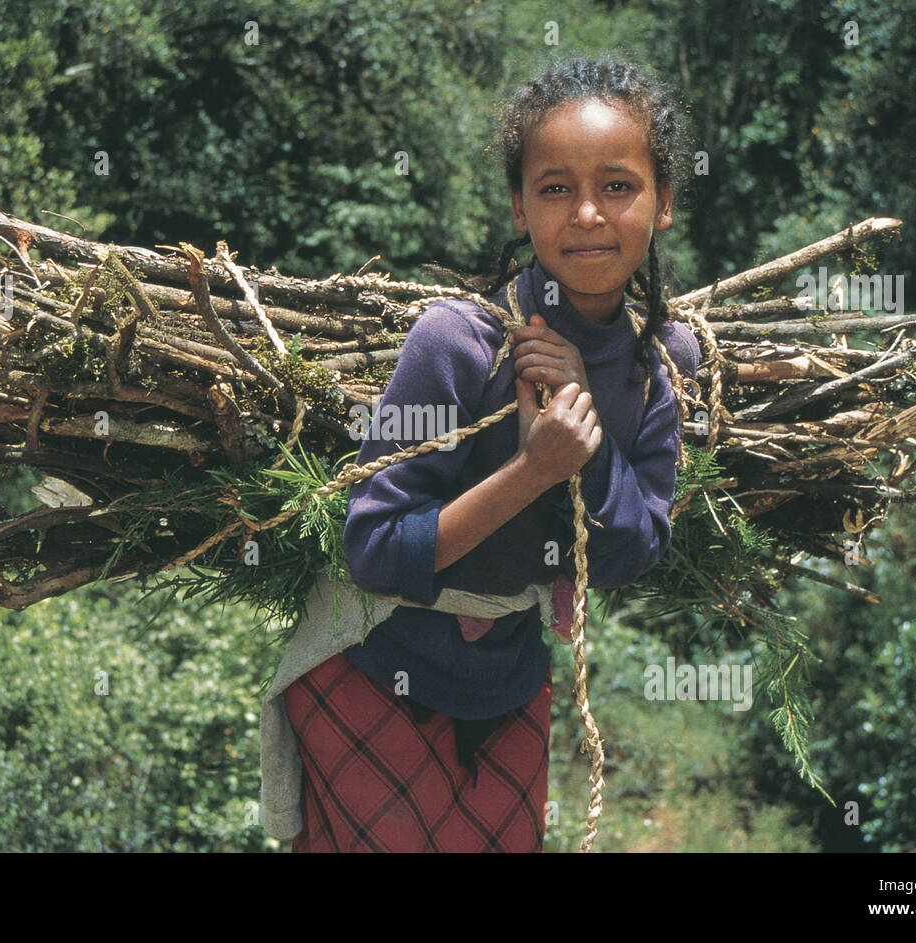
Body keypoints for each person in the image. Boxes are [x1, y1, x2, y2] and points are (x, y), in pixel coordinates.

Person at [262, 55, 702, 853]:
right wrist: (532, 472)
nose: (588, 215)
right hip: (373, 663)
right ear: (519, 204)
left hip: (503, 678)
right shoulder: (458, 345)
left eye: (618, 185)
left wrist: (586, 445)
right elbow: (371, 547)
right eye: (555, 188)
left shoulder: (658, 364)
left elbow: (636, 550)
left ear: (664, 202)